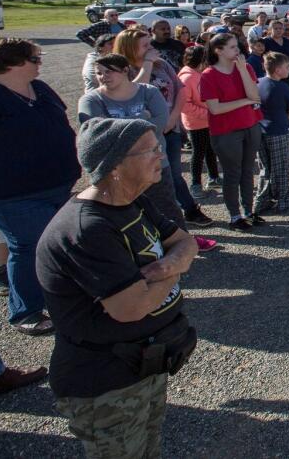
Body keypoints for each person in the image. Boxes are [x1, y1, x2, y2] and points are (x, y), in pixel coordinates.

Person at [38, 117, 198, 459]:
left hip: (144, 364)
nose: (161, 155)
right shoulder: (86, 229)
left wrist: (169, 265)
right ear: (114, 165)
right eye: (150, 150)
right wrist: (177, 267)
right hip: (105, 382)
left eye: (159, 147)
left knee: (148, 449)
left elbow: (186, 243)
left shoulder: (133, 200)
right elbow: (132, 307)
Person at [79, 55, 216, 242]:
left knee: (168, 208)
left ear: (125, 70)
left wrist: (118, 127)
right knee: (126, 213)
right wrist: (143, 117)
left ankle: (181, 244)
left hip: (155, 163)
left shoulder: (148, 92)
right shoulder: (91, 100)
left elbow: (159, 124)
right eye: (99, 73)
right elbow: (97, 137)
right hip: (117, 171)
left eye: (109, 71)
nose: (103, 76)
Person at [0, 38, 80, 336]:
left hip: (58, 184)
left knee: (58, 244)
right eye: (35, 58)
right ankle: (25, 311)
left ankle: (61, 298)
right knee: (29, 246)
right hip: (14, 194)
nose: (40, 62)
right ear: (15, 63)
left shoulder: (41, 89)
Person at [111, 29, 212, 228]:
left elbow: (180, 90)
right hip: (142, 135)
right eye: (145, 45)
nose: (151, 48)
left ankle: (189, 210)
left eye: (150, 44)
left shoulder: (163, 65)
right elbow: (132, 92)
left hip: (170, 129)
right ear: (130, 47)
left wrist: (172, 118)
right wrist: (147, 63)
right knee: (150, 178)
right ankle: (159, 221)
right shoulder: (122, 70)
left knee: (172, 173)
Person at [200, 33, 265, 230]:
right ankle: (234, 215)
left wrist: (242, 70)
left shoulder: (245, 67)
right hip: (226, 131)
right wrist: (244, 102)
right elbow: (215, 108)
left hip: (250, 125)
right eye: (232, 47)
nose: (237, 51)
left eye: (237, 46)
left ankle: (248, 210)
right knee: (232, 173)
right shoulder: (209, 75)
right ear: (218, 50)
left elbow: (255, 96)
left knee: (247, 171)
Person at [254, 53, 289, 214]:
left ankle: (261, 201)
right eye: (287, 66)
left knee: (265, 168)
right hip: (278, 131)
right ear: (278, 69)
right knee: (281, 168)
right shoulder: (282, 87)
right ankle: (284, 201)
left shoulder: (257, 83)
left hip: (260, 130)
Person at [177, 46, 221, 199]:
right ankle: (195, 185)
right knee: (198, 154)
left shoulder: (199, 74)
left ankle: (214, 178)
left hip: (208, 121)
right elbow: (184, 105)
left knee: (210, 150)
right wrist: (207, 113)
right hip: (196, 123)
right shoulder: (187, 78)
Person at [262, 19, 289, 95]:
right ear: (270, 30)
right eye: (275, 28)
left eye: (280, 28)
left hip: (288, 75)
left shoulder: (288, 42)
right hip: (273, 76)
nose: (278, 30)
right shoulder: (265, 42)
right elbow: (261, 58)